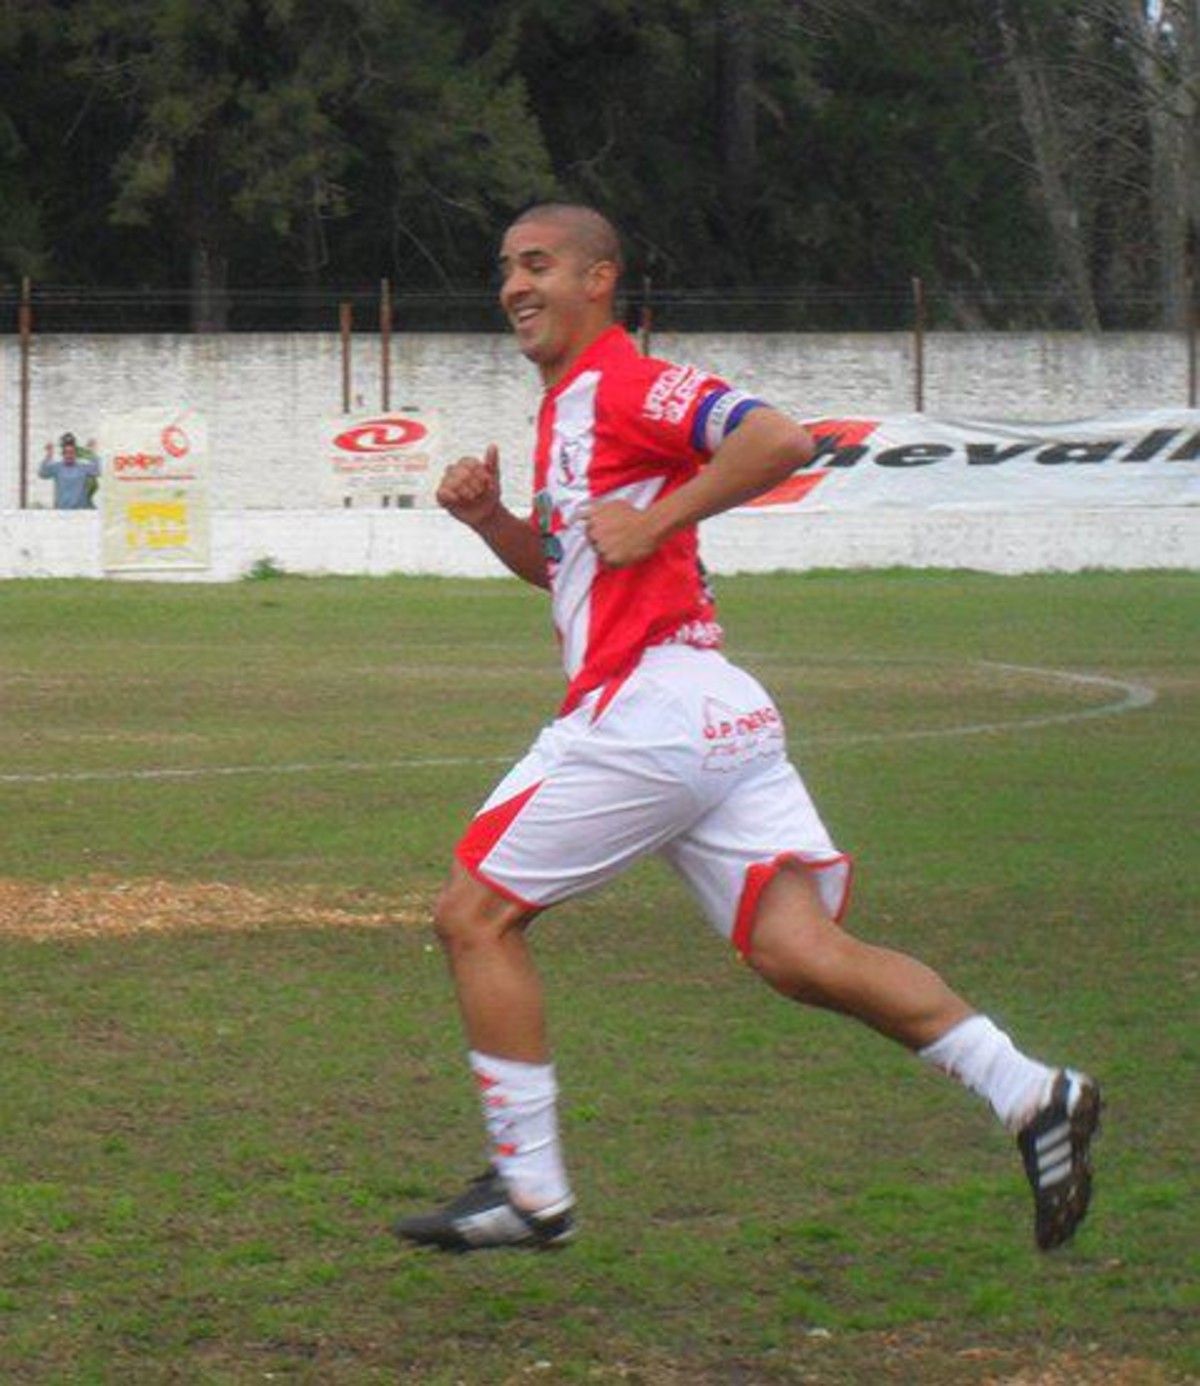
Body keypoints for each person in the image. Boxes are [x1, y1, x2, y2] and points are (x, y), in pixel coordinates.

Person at [394, 203, 1100, 1255]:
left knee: (473, 917)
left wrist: (660, 516)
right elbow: (575, 563)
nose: (514, 285)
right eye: (505, 269)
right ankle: (1032, 1089)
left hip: (650, 708)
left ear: (601, 279)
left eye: (539, 265)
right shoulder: (570, 410)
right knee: (802, 953)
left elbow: (779, 439)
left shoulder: (628, 381)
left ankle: (531, 1191)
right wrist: (492, 520)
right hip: (714, 709)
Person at [39, 432, 101, 510]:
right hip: (61, 510)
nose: (69, 455)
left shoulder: (83, 467)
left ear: (75, 454)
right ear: (63, 454)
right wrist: (49, 454)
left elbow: (97, 471)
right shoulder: (57, 467)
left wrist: (92, 451)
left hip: (80, 510)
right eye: (66, 453)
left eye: (71, 453)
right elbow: (42, 473)